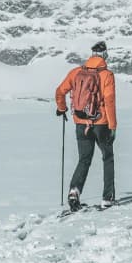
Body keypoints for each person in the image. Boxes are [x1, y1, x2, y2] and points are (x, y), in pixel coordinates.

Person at [55, 40, 117, 210]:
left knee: (84, 159)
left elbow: (60, 91)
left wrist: (62, 108)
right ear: (105, 55)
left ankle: (74, 191)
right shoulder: (106, 75)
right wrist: (113, 126)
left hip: (80, 122)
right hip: (101, 123)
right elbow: (109, 100)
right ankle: (107, 198)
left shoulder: (76, 72)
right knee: (107, 157)